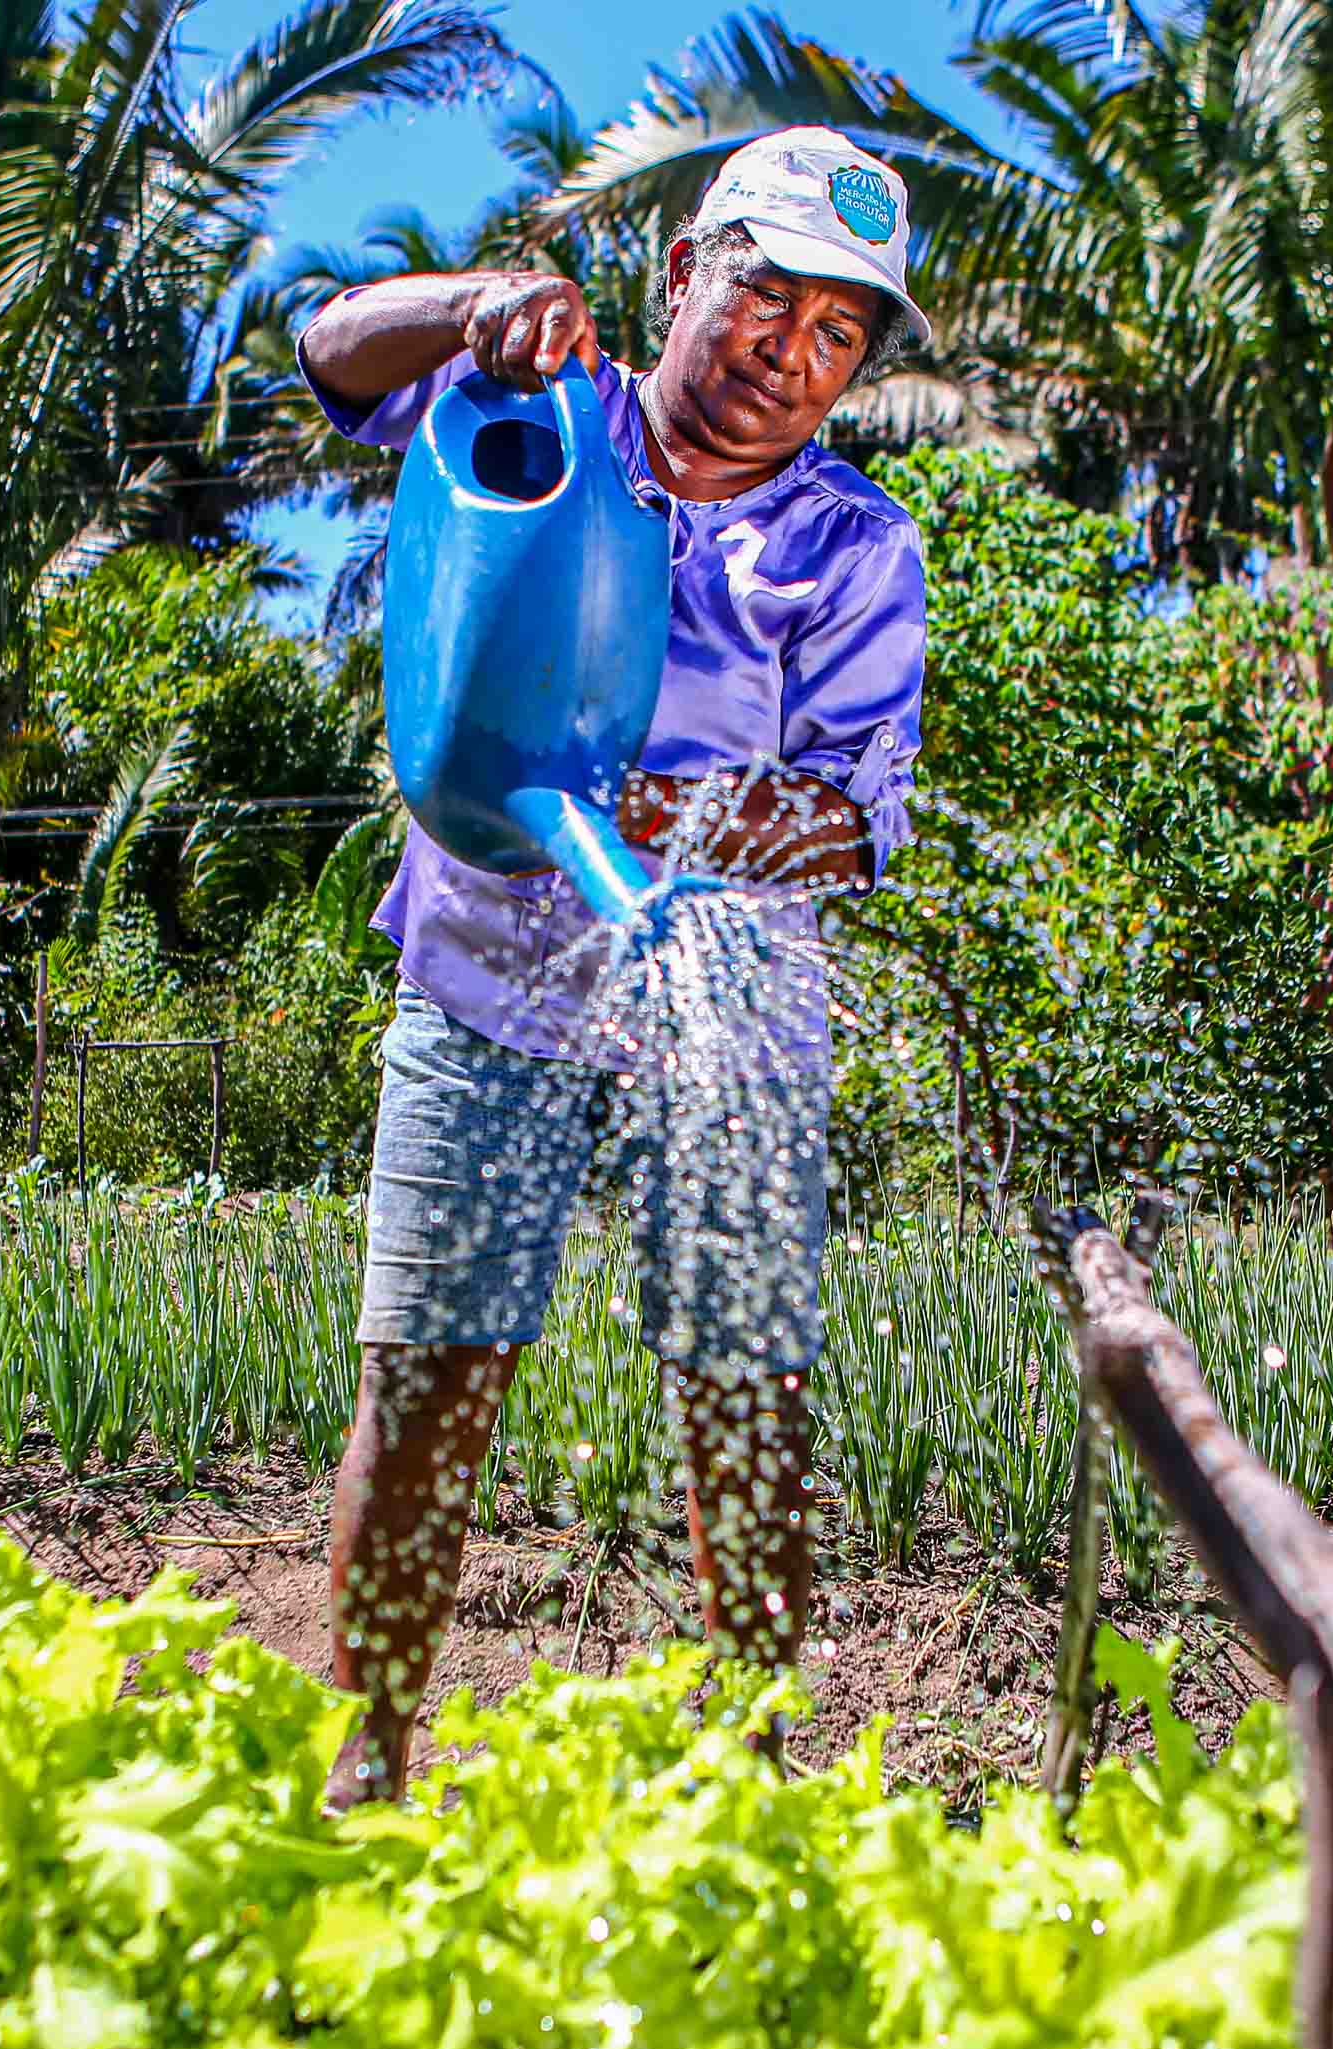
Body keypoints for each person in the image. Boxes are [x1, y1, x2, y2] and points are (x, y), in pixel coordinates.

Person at [296, 127, 931, 1808]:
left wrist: (661, 810)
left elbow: (857, 822)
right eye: (762, 300)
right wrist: (476, 303)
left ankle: (753, 1770)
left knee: (746, 1406)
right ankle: (365, 1759)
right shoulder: (534, 422)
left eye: (833, 335)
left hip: (726, 1023)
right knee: (429, 1383)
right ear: (682, 276)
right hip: (484, 989)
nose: (784, 359)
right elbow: (327, 351)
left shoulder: (854, 547)